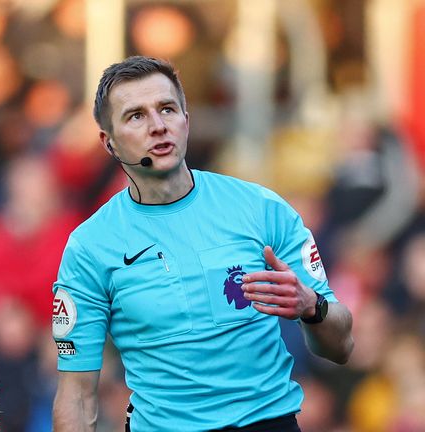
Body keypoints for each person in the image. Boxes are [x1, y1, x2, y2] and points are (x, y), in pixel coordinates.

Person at [51, 56, 355, 432]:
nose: (159, 126)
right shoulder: (90, 246)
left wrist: (313, 307)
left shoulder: (262, 209)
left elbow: (341, 346)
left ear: (187, 120)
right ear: (108, 142)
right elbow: (77, 396)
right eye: (136, 116)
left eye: (167, 109)